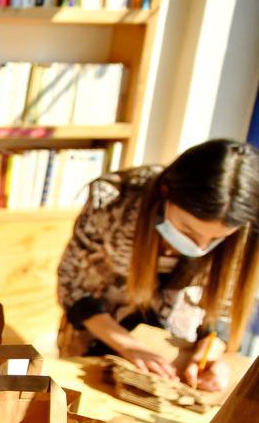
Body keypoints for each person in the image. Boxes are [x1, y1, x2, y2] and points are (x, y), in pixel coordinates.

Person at [57, 139, 259, 391]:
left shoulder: (246, 231)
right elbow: (73, 289)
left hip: (175, 352)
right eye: (188, 229)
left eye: (217, 238)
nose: (200, 246)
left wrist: (210, 352)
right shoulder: (114, 202)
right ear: (166, 193)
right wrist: (127, 345)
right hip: (99, 335)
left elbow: (224, 313)